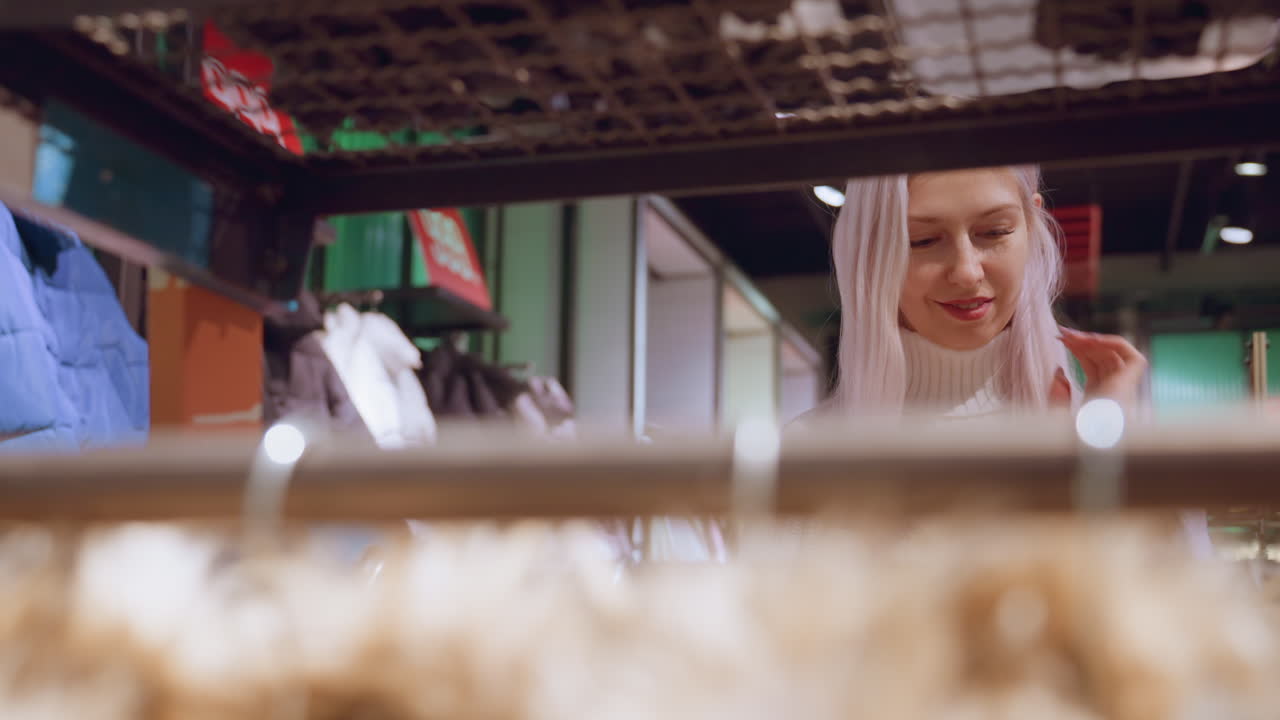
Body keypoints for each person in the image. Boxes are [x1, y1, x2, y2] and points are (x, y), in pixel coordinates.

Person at [824, 165, 1146, 418]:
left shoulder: (1086, 423)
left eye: (995, 232)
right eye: (922, 240)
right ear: (870, 253)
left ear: (1031, 227)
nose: (967, 272)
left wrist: (1106, 443)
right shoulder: (814, 449)